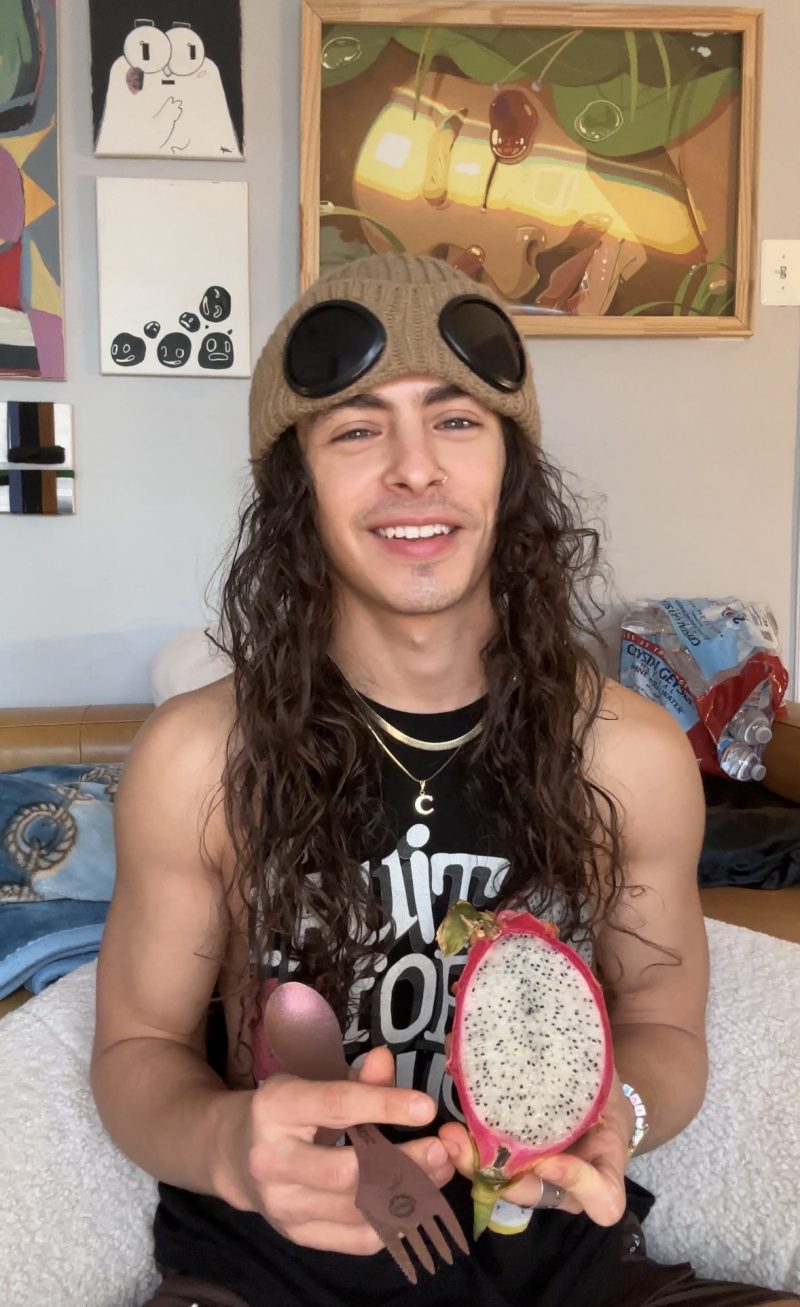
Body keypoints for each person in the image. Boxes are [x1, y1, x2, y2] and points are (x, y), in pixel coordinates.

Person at [90, 253, 799, 1307]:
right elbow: (136, 1048)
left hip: (558, 1273)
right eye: (356, 429)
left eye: (456, 420)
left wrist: (621, 1111)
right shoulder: (199, 758)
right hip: (269, 1278)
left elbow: (664, 1025)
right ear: (297, 484)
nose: (414, 468)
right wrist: (229, 1143)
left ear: (510, 465)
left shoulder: (628, 754)